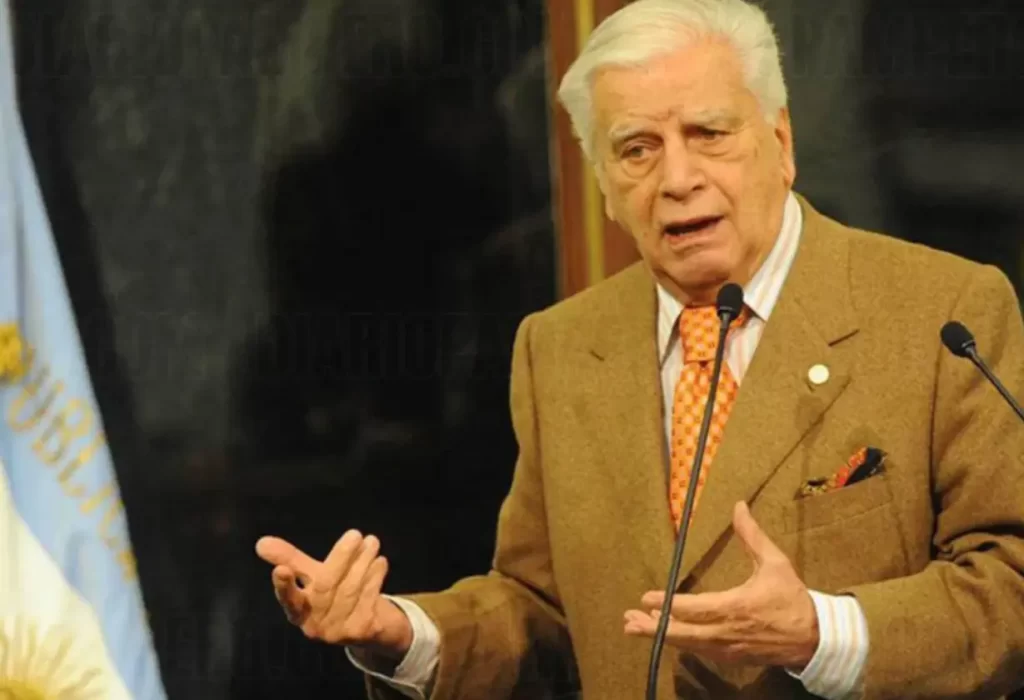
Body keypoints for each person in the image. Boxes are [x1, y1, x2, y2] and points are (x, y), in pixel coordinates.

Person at [255, 0, 1024, 697]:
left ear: (781, 142)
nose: (677, 178)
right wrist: (401, 635)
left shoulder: (942, 313)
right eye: (636, 149)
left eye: (709, 134)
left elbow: (1009, 585)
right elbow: (541, 611)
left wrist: (822, 633)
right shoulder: (559, 347)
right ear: (603, 186)